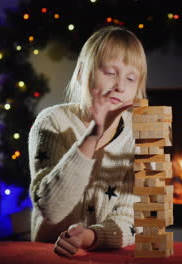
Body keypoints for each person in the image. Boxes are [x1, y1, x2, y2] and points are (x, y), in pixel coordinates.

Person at [28, 26, 147, 257]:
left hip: (104, 254)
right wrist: (93, 135)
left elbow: (130, 217)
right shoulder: (53, 122)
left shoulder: (138, 134)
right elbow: (51, 209)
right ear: (82, 73)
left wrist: (88, 237)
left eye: (130, 78)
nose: (120, 86)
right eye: (110, 73)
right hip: (47, 254)